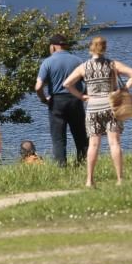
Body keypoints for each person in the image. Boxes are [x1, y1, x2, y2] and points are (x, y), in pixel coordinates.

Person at [63, 36, 132, 187]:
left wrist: (82, 96)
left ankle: (89, 180)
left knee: (93, 145)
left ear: (90, 48)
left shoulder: (83, 67)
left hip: (92, 107)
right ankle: (119, 179)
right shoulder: (112, 64)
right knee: (114, 143)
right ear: (104, 48)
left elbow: (67, 84)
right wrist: (123, 90)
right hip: (111, 106)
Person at [35, 34, 88, 166]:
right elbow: (88, 82)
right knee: (80, 134)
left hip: (57, 101)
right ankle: (83, 163)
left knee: (58, 137)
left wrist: (43, 99)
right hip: (75, 100)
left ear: (52, 46)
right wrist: (83, 95)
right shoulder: (78, 61)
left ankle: (61, 165)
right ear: (66, 45)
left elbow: (38, 86)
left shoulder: (47, 62)